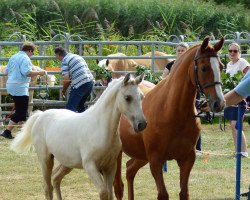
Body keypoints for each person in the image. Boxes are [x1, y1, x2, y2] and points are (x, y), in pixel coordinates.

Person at [162, 42, 202, 154]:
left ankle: (197, 148)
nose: (180, 52)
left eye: (183, 50)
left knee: (194, 120)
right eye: (178, 50)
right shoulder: (170, 65)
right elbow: (163, 79)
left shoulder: (192, 65)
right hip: (174, 98)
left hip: (190, 97)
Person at [0, 42, 47, 139]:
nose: (32, 55)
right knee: (21, 111)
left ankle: (13, 131)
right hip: (20, 86)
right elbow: (27, 72)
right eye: (32, 53)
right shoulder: (25, 58)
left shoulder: (13, 57)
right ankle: (8, 131)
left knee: (21, 110)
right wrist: (40, 72)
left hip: (11, 85)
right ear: (29, 51)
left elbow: (6, 71)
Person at [224, 42, 249, 158]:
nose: (232, 53)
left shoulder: (243, 63)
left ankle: (243, 152)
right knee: (232, 126)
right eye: (230, 51)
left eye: (235, 51)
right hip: (230, 96)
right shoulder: (229, 64)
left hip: (240, 97)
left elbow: (246, 79)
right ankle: (237, 151)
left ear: (239, 52)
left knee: (236, 125)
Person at [54, 47, 94, 113]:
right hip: (90, 82)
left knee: (69, 109)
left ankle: (68, 123)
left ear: (58, 54)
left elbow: (67, 79)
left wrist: (63, 91)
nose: (57, 58)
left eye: (56, 56)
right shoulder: (77, 56)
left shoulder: (64, 61)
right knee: (80, 106)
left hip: (80, 84)